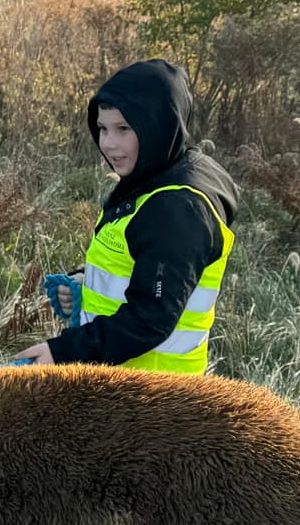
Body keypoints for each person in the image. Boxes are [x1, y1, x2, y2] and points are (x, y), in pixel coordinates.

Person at [14, 59, 239, 372]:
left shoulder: (178, 208)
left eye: (124, 128)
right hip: (120, 385)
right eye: (103, 128)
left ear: (159, 125)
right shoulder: (152, 175)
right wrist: (84, 283)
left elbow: (152, 317)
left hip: (152, 395)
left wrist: (64, 352)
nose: (108, 144)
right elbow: (141, 263)